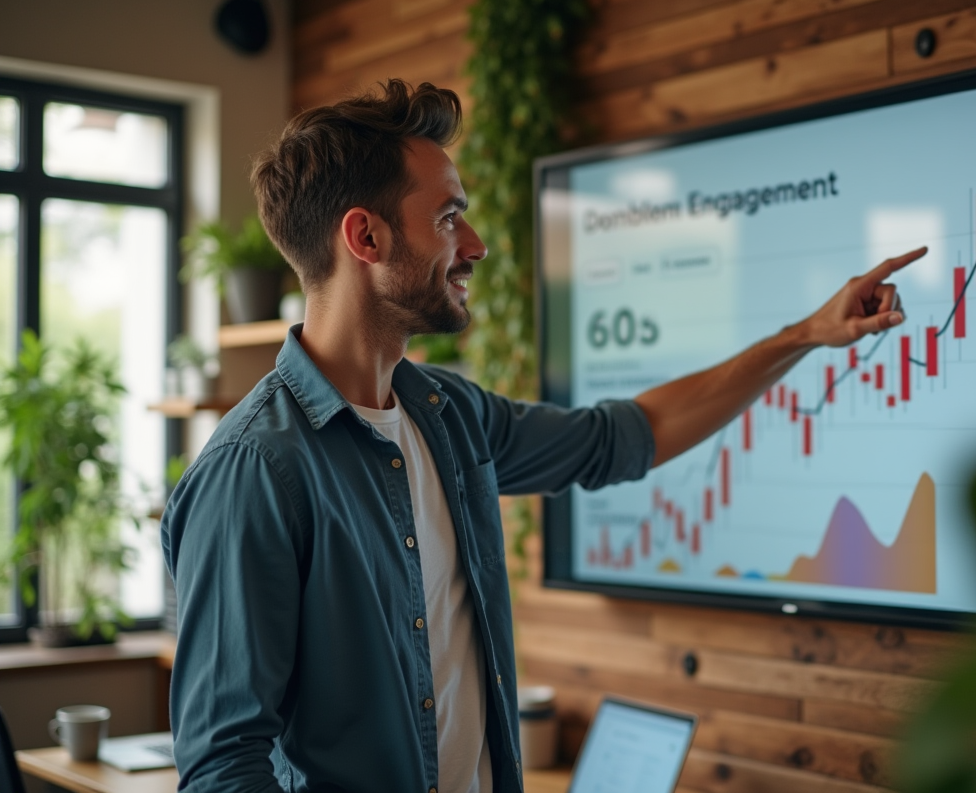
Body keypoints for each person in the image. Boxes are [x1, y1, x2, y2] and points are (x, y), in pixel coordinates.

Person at [161, 79, 924, 793]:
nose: (477, 245)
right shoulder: (257, 469)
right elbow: (224, 765)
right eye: (449, 217)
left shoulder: (448, 415)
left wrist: (805, 334)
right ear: (365, 237)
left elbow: (624, 437)